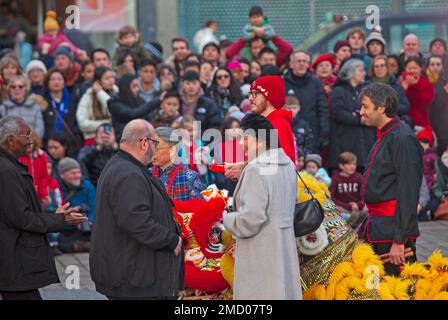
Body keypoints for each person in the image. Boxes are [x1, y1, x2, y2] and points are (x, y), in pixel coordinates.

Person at [90, 119, 183, 300]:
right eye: (155, 143)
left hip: (132, 271)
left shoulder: (123, 166)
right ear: (143, 143)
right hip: (135, 277)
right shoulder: (128, 173)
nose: (156, 149)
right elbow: (136, 221)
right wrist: (171, 240)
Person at [0, 116, 86, 300]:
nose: (30, 141)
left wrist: (53, 215)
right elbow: (21, 218)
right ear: (11, 140)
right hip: (13, 260)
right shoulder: (6, 171)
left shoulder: (9, 166)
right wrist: (60, 220)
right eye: (27, 136)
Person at [222, 114, 301, 300]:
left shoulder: (256, 169)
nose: (241, 143)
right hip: (284, 251)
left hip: (260, 255)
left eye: (245, 138)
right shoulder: (288, 164)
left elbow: (251, 220)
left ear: (258, 141)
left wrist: (226, 217)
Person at [358, 82, 423, 276]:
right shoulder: (385, 135)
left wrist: (399, 240)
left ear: (382, 108)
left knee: (399, 290)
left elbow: (408, 192)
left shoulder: (403, 138)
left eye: (365, 107)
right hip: (378, 228)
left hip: (392, 231)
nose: (361, 111)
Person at [329, 59, 376, 171]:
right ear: (350, 72)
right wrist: (358, 120)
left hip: (367, 142)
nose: (364, 73)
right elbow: (337, 112)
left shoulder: (368, 90)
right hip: (345, 143)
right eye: (360, 70)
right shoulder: (338, 91)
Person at [284, 50, 329, 154]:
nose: (302, 64)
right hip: (288, 135)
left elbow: (322, 110)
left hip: (312, 136)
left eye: (304, 61)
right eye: (298, 61)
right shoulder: (283, 83)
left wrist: (324, 135)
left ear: (308, 64)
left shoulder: (315, 83)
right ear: (291, 64)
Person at [150, 127, 205, 201]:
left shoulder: (190, 177)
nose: (152, 152)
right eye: (151, 147)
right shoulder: (146, 174)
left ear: (173, 149)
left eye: (156, 147)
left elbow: (199, 208)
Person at [249, 75, 296, 162]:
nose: (250, 98)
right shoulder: (267, 122)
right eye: (251, 93)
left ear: (269, 97)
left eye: (256, 94)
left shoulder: (277, 125)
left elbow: (280, 165)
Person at [57, 157, 96, 253]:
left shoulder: (86, 185)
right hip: (68, 228)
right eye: (73, 173)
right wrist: (74, 222)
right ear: (62, 175)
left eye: (79, 172)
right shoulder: (56, 187)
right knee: (60, 240)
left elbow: (94, 207)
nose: (78, 175)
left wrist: (88, 221)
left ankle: (83, 245)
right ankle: (84, 246)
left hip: (87, 225)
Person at [108, 73, 159, 142]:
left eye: (137, 86)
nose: (137, 89)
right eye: (134, 86)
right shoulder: (115, 103)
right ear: (126, 88)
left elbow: (148, 118)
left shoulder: (140, 100)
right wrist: (157, 100)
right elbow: (133, 113)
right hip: (123, 141)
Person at [76, 66, 116, 145]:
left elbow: (114, 110)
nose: (111, 81)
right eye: (107, 78)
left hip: (114, 138)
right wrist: (105, 123)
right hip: (93, 139)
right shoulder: (88, 96)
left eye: (112, 77)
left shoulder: (117, 91)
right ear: (98, 82)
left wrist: (100, 93)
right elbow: (82, 123)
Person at [41, 68, 79, 148]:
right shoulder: (42, 102)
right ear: (47, 83)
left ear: (64, 82)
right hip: (49, 144)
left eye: (59, 79)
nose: (56, 82)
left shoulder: (73, 100)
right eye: (53, 79)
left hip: (69, 144)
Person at [330, 152, 366, 228]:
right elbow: (331, 197)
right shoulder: (336, 178)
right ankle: (351, 221)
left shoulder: (359, 177)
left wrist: (358, 205)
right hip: (343, 207)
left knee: (366, 210)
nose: (352, 167)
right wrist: (347, 206)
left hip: (356, 208)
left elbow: (364, 195)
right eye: (349, 164)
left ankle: (353, 221)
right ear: (341, 166)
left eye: (354, 164)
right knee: (335, 209)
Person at [399, 56, 435, 128]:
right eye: (409, 68)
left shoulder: (427, 83)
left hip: (421, 121)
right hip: (403, 121)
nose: (412, 71)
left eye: (415, 68)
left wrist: (414, 86)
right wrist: (403, 88)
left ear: (421, 69)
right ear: (405, 69)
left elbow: (426, 101)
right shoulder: (400, 81)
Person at [18, 131, 50, 206]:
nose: (29, 145)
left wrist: (43, 194)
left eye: (31, 143)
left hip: (37, 193)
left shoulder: (41, 156)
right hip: (23, 192)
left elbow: (44, 177)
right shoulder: (20, 156)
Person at [430, 63, 448, 155]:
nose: (435, 67)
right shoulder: (441, 85)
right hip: (441, 133)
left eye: (438, 64)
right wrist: (445, 93)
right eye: (432, 64)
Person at [417, 126, 438, 191]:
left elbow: (436, 172)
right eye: (420, 141)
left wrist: (432, 182)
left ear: (430, 144)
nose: (422, 144)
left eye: (425, 141)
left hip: (428, 185)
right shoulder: (415, 154)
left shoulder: (433, 157)